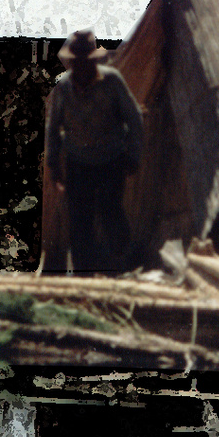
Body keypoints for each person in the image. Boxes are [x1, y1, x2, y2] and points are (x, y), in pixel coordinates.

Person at [45, 29, 144, 273]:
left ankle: (121, 271)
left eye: (85, 61)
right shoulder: (63, 88)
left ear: (93, 61)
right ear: (71, 62)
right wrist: (54, 166)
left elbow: (134, 119)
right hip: (78, 162)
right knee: (80, 222)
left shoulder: (112, 81)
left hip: (111, 160)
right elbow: (53, 127)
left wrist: (133, 155)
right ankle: (83, 276)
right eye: (75, 62)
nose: (80, 66)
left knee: (112, 213)